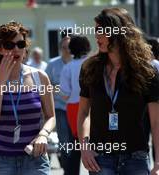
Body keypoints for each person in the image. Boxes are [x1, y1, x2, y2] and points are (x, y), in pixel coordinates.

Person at [77, 7, 159, 175]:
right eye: (95, 30)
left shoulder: (146, 71)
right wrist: (84, 148)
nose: (96, 35)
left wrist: (158, 162)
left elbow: (156, 122)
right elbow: (84, 112)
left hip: (135, 158)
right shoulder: (89, 68)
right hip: (100, 158)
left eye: (101, 30)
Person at [0, 21, 55, 175]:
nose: (16, 49)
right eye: (9, 45)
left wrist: (43, 134)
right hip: (1, 160)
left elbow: (51, 117)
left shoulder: (39, 77)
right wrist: (1, 81)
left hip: (35, 157)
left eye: (20, 44)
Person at [60, 35, 91, 175]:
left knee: (76, 143)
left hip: (74, 107)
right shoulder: (93, 63)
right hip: (93, 105)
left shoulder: (67, 67)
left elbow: (65, 94)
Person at [45, 36, 74, 175]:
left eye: (69, 47)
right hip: (60, 108)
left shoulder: (77, 63)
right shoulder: (52, 64)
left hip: (77, 107)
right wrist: (60, 89)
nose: (66, 50)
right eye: (63, 47)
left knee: (77, 141)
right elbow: (46, 87)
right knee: (64, 139)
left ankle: (71, 167)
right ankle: (67, 169)